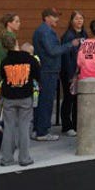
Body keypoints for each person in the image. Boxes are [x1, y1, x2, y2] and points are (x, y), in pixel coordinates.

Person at [0, 38, 40, 166]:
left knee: (8, 127)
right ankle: (24, 158)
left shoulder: (5, 61)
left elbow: (3, 77)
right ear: (17, 43)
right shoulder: (29, 59)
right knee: (24, 126)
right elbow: (37, 75)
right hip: (25, 95)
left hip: (9, 96)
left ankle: (6, 158)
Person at [32, 8, 72, 141]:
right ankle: (42, 132)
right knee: (46, 101)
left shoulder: (41, 31)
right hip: (48, 70)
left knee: (41, 101)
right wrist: (70, 45)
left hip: (45, 69)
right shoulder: (46, 32)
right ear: (47, 17)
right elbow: (53, 51)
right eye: (55, 17)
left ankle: (37, 129)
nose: (57, 19)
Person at [0, 12, 20, 148]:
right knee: (9, 110)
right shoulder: (10, 38)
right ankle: (6, 140)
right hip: (10, 75)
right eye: (17, 21)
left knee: (0, 108)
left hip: (0, 75)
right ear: (9, 23)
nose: (19, 24)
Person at [60, 11, 88, 136]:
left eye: (81, 18)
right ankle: (67, 126)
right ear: (71, 21)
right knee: (69, 98)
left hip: (82, 71)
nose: (79, 21)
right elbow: (66, 56)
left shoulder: (84, 34)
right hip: (70, 71)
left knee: (78, 99)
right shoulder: (68, 35)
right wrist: (71, 75)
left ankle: (77, 124)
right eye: (76, 18)